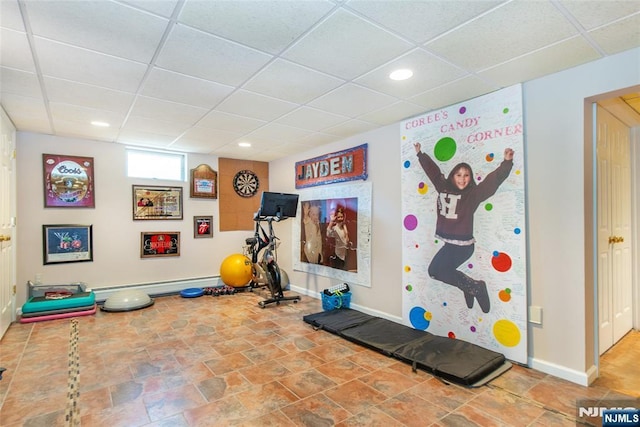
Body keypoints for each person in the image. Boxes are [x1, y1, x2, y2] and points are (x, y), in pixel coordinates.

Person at [414, 142, 514, 313]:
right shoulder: (443, 187)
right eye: (459, 175)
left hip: (463, 247)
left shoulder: (472, 195)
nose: (462, 179)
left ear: (470, 178)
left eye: (466, 175)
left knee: (439, 271)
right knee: (434, 272)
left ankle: (477, 288)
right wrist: (420, 154)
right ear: (452, 176)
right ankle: (470, 288)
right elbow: (433, 172)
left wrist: (506, 163)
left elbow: (492, 182)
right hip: (450, 245)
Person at [326, 206, 350, 270]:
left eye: (341, 217)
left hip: (345, 254)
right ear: (336, 217)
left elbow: (347, 241)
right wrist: (331, 222)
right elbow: (328, 234)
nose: (340, 219)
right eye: (338, 217)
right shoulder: (335, 228)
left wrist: (346, 230)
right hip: (338, 255)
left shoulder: (344, 228)